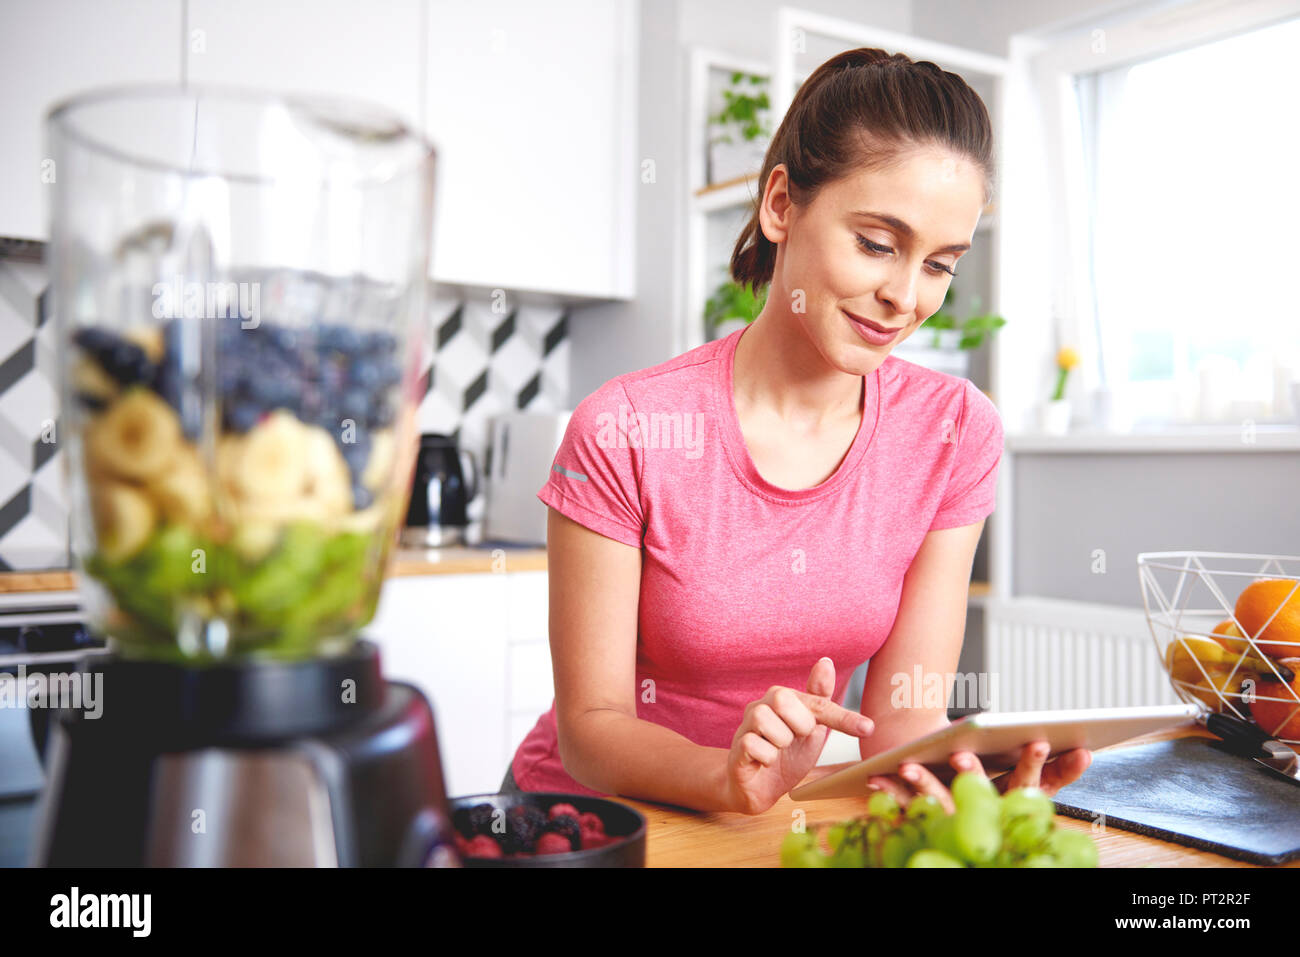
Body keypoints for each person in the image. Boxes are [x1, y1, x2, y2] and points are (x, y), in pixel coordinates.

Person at [505, 47, 1092, 814]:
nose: (904, 296)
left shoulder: (955, 430)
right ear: (781, 205)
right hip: (592, 823)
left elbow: (903, 714)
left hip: (772, 817)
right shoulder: (627, 429)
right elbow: (590, 728)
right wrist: (724, 775)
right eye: (878, 244)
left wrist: (969, 776)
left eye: (940, 264)